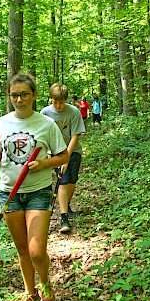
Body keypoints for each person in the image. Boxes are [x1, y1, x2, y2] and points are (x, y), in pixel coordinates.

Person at [0, 72, 69, 301]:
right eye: (14, 95)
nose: (19, 100)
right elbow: (0, 158)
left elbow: (63, 156)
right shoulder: (1, 123)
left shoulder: (46, 124)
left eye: (24, 95)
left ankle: (45, 286)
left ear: (34, 95)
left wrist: (44, 164)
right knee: (22, 249)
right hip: (9, 193)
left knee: (36, 250)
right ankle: (30, 293)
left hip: (38, 192)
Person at [41, 83, 85, 233]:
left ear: (66, 100)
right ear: (51, 100)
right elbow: (42, 135)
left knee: (72, 181)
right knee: (63, 181)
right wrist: (50, 152)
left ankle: (66, 204)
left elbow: (75, 135)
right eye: (55, 102)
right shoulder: (45, 113)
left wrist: (66, 157)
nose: (58, 106)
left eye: (61, 102)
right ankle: (64, 217)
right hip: (55, 153)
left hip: (73, 151)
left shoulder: (74, 112)